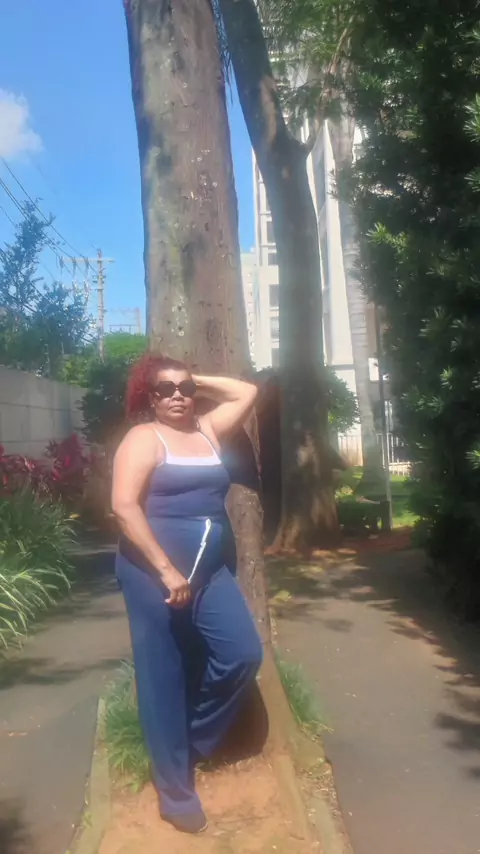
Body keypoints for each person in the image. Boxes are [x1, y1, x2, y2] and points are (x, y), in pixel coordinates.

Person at [112, 353, 263, 835]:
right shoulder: (143, 438)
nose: (177, 395)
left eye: (185, 388)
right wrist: (165, 570)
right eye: (165, 389)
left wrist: (193, 378)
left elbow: (247, 392)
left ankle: (190, 741)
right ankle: (175, 793)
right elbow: (124, 507)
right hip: (152, 573)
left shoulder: (208, 430)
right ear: (149, 397)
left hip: (210, 573)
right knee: (162, 675)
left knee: (242, 654)